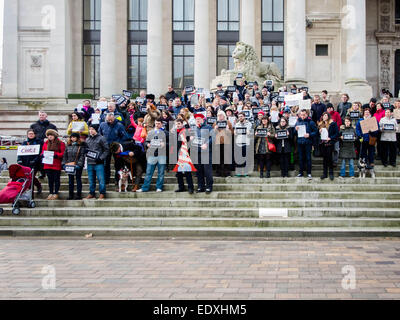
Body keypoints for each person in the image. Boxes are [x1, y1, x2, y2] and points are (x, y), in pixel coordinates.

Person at [137, 118, 168, 193]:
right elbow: (145, 142)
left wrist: (165, 144)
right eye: (156, 123)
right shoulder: (151, 132)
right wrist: (147, 144)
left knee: (161, 173)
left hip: (162, 154)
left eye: (159, 123)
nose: (157, 125)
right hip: (152, 154)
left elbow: (171, 143)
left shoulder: (166, 133)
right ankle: (145, 187)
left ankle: (159, 187)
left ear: (162, 124)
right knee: (148, 172)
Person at [99, 113, 130, 186]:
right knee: (106, 164)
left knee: (118, 164)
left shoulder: (119, 125)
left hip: (116, 146)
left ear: (114, 119)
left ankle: (117, 179)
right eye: (108, 120)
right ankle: (106, 180)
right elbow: (100, 134)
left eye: (111, 120)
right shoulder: (102, 125)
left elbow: (124, 136)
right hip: (106, 146)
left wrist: (119, 144)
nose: (109, 121)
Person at [30, 111, 58, 179]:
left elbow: (56, 135)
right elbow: (31, 134)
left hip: (48, 145)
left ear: (46, 116)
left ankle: (45, 172)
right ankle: (40, 172)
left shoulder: (52, 126)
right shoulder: (33, 126)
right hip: (36, 145)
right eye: (40, 115)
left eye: (43, 115)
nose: (41, 116)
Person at [190, 113, 214, 194]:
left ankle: (209, 187)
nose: (197, 120)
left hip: (206, 152)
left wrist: (206, 144)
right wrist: (191, 138)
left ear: (203, 119)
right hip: (197, 152)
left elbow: (213, 138)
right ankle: (201, 186)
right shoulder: (194, 129)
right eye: (196, 119)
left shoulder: (209, 127)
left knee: (207, 170)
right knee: (199, 170)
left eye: (199, 119)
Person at [85, 125, 109, 200]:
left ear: (96, 130)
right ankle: (91, 193)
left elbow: (106, 150)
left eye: (92, 129)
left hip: (99, 163)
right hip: (90, 162)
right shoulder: (87, 139)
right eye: (90, 129)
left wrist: (101, 158)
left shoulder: (101, 138)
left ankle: (102, 193)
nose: (91, 131)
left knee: (101, 179)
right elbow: (86, 149)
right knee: (91, 179)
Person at [172, 119, 195, 194]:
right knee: (179, 173)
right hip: (177, 154)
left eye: (179, 124)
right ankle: (181, 187)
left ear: (182, 124)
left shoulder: (186, 131)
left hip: (185, 153)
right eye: (176, 124)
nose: (178, 125)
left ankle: (190, 188)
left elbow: (189, 142)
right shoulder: (175, 132)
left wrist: (185, 140)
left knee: (188, 172)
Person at [41, 129, 65, 200]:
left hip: (56, 164)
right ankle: (51, 192)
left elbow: (63, 153)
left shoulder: (60, 143)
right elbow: (43, 151)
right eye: (48, 135)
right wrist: (42, 154)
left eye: (51, 135)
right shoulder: (46, 143)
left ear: (54, 136)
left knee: (56, 179)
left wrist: (56, 155)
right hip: (47, 164)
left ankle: (56, 192)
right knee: (50, 179)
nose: (50, 137)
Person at [17, 129, 43, 194]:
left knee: (31, 176)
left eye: (32, 134)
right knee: (29, 177)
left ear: (34, 134)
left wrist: (35, 160)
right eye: (29, 134)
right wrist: (19, 160)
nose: (30, 135)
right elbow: (20, 152)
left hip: (35, 163)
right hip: (25, 163)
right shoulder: (24, 143)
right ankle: (36, 186)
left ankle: (34, 190)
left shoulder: (38, 142)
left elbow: (40, 153)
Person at [62, 133, 87, 200]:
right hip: (69, 165)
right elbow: (65, 155)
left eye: (74, 137)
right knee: (70, 180)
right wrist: (64, 164)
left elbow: (82, 156)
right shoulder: (68, 146)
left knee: (78, 179)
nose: (72, 138)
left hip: (77, 165)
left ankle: (79, 194)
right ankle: (71, 194)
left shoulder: (81, 146)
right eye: (71, 137)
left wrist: (79, 164)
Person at [295, 110, 318, 180]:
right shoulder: (297, 122)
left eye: (304, 115)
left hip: (308, 142)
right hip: (300, 142)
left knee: (308, 158)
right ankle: (301, 172)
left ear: (307, 115)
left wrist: (309, 135)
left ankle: (309, 173)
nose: (302, 116)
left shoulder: (311, 122)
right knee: (301, 158)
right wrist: (295, 129)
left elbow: (316, 132)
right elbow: (294, 133)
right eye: (301, 115)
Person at [318, 112, 339, 180]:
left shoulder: (333, 124)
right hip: (323, 143)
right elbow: (317, 134)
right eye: (323, 115)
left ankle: (331, 173)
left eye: (326, 115)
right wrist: (319, 131)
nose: (324, 117)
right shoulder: (321, 124)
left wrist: (330, 138)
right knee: (324, 159)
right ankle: (325, 173)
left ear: (328, 116)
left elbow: (336, 133)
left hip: (329, 143)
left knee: (330, 159)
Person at [213, 111, 234, 177]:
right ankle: (218, 173)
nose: (220, 117)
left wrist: (228, 130)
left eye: (221, 115)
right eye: (219, 115)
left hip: (226, 143)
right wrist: (214, 129)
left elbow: (232, 133)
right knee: (218, 158)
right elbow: (212, 134)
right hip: (218, 143)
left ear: (224, 116)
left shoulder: (228, 122)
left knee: (226, 158)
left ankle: (227, 173)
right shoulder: (215, 123)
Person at [234, 112, 253, 177]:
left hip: (246, 142)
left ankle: (245, 172)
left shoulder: (249, 124)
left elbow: (250, 133)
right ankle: (239, 172)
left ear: (244, 117)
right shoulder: (237, 124)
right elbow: (236, 132)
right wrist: (235, 133)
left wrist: (248, 133)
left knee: (246, 158)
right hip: (238, 142)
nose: (240, 118)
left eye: (241, 116)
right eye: (239, 117)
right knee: (239, 158)